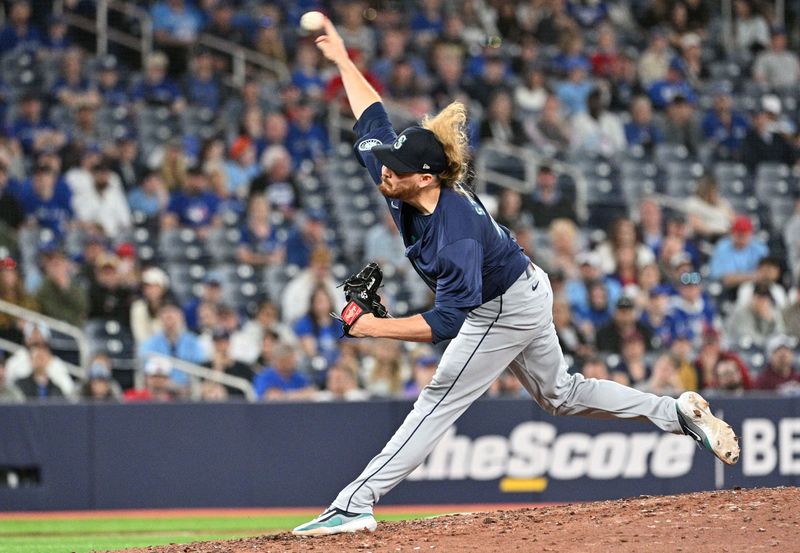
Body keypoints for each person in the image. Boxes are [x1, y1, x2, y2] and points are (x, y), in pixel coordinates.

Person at [292, 17, 739, 537]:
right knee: (562, 395)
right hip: (522, 286)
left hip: (501, 305)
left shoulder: (453, 231)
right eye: (387, 163)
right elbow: (370, 116)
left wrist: (370, 330)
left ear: (428, 176)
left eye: (397, 167)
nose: (385, 170)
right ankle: (675, 413)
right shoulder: (403, 178)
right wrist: (345, 60)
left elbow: (447, 322)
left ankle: (355, 502)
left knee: (439, 397)